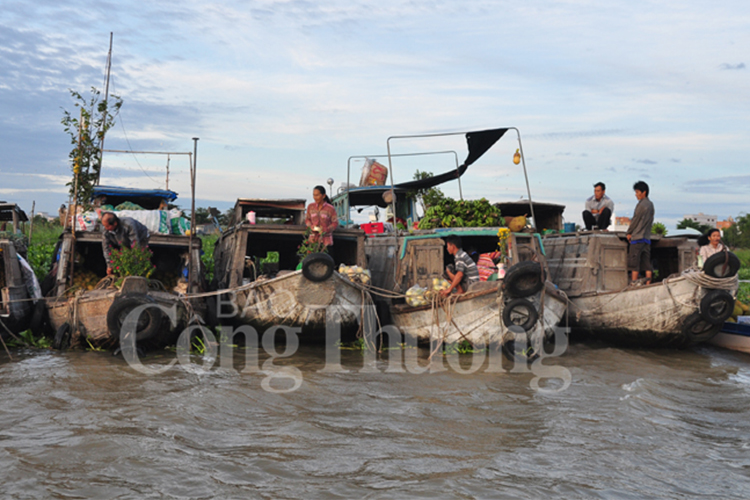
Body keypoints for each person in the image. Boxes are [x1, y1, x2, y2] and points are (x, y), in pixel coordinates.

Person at [626, 180, 654, 284]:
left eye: (637, 192)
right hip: (646, 239)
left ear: (644, 192)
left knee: (634, 264)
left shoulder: (641, 205)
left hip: (637, 238)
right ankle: (648, 284)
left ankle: (633, 284)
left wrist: (629, 232)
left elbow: (635, 220)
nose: (636, 195)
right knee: (647, 264)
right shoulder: (651, 205)